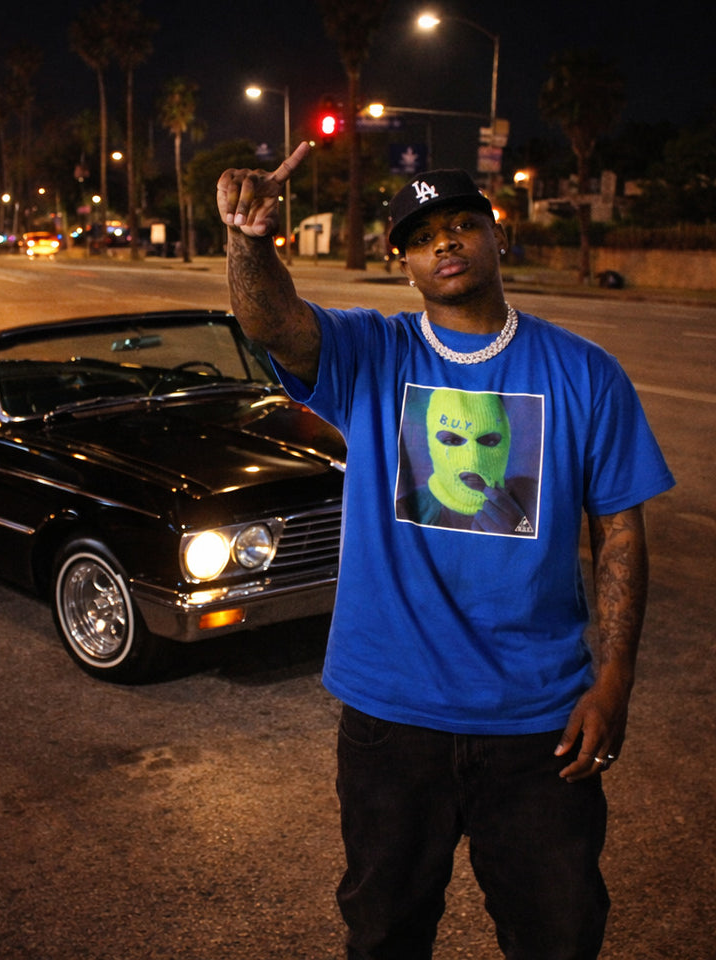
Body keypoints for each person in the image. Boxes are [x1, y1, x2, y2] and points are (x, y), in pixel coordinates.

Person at [216, 143, 675, 960]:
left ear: (497, 238)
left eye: (464, 224)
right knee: (386, 930)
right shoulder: (372, 354)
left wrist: (615, 677)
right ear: (406, 264)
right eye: (424, 235)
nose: (447, 242)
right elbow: (272, 321)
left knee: (559, 935)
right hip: (392, 717)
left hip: (541, 723)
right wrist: (249, 241)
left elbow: (620, 532)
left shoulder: (585, 373)